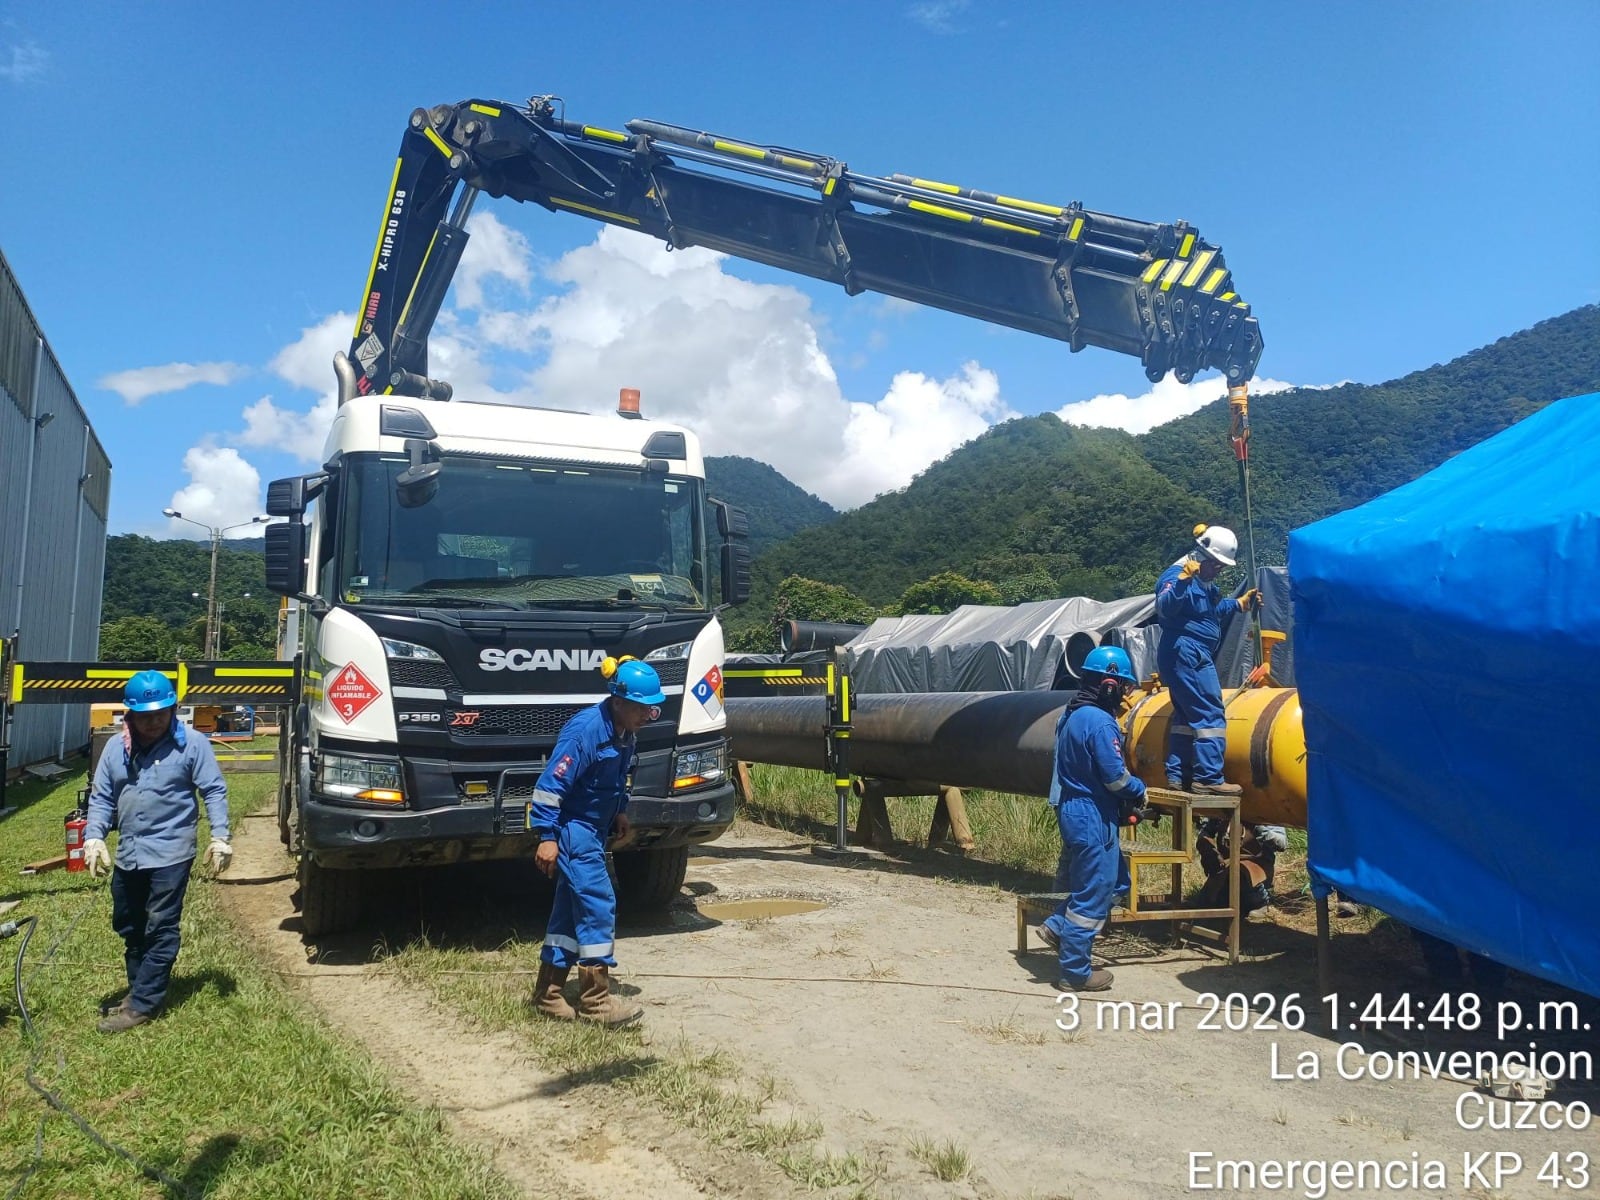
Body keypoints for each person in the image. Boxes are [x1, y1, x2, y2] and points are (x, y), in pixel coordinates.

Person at [83, 670, 231, 1033]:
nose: (153, 723)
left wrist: (220, 836)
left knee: (161, 925)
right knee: (129, 922)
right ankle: (138, 990)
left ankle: (143, 1004)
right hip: (131, 852)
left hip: (171, 852)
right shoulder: (116, 749)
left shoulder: (193, 745)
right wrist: (94, 837)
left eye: (161, 714)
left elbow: (214, 790)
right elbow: (102, 796)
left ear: (173, 710)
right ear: (129, 715)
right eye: (145, 716)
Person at [529, 655, 664, 1026]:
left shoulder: (625, 733)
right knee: (598, 904)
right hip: (574, 829)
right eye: (642, 708)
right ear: (619, 701)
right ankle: (595, 1003)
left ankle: (548, 995)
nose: (648, 716)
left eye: (652, 709)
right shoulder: (586, 731)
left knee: (570, 916)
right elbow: (549, 787)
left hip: (595, 826)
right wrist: (547, 837)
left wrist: (620, 809)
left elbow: (618, 778)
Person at [1037, 646, 1144, 992]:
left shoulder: (1073, 715)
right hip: (1092, 815)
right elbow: (1116, 778)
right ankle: (1075, 972)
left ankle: (1056, 925)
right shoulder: (1100, 723)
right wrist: (1140, 790)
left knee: (1117, 883)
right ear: (1110, 685)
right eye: (1125, 688)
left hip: (1077, 810)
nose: (1127, 696)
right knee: (1093, 894)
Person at [1155, 524, 1260, 795]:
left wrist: (1239, 604)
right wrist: (1181, 583)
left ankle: (1178, 776)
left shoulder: (1203, 583)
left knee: (1186, 716)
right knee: (1211, 713)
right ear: (1201, 557)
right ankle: (1209, 778)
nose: (1219, 571)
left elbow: (1209, 610)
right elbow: (1165, 609)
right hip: (1187, 653)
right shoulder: (1178, 576)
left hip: (1187, 654)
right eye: (1216, 565)